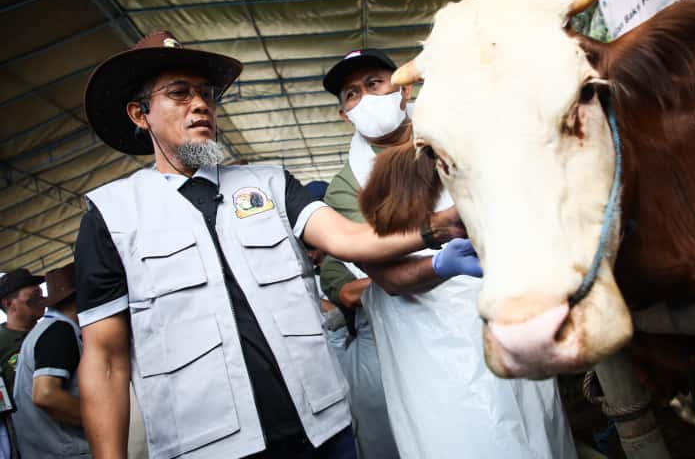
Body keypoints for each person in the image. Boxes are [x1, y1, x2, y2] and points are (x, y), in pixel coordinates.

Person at [75, 31, 470, 459]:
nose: (201, 104)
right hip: (208, 447)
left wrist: (438, 227)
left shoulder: (270, 184)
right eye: (179, 93)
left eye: (207, 94)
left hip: (324, 432)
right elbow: (106, 360)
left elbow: (350, 238)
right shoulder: (112, 216)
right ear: (140, 114)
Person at [321, 49, 577, 458]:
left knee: (534, 421)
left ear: (403, 89)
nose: (365, 98)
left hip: (496, 298)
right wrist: (442, 256)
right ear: (343, 115)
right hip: (421, 333)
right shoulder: (347, 184)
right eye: (351, 95)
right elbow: (387, 276)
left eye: (374, 84)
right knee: (462, 431)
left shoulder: (457, 128)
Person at [12, 263, 90, 458]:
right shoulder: (59, 332)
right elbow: (46, 395)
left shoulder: (47, 330)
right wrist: (103, 417)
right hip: (63, 451)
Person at [0, 268, 45, 459]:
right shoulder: (2, 342)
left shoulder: (51, 333)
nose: (41, 302)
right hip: (20, 437)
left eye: (41, 295)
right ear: (9, 304)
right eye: (33, 297)